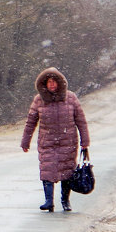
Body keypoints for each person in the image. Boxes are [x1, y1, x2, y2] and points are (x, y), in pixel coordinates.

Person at [20, 67, 89, 212]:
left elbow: (81, 120)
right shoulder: (39, 100)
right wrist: (25, 142)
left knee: (67, 172)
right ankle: (48, 201)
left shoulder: (71, 98)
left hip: (68, 141)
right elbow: (31, 121)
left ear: (59, 83)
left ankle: (65, 200)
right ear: (44, 84)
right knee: (47, 170)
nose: (52, 85)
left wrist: (85, 141)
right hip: (47, 142)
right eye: (49, 82)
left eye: (54, 82)